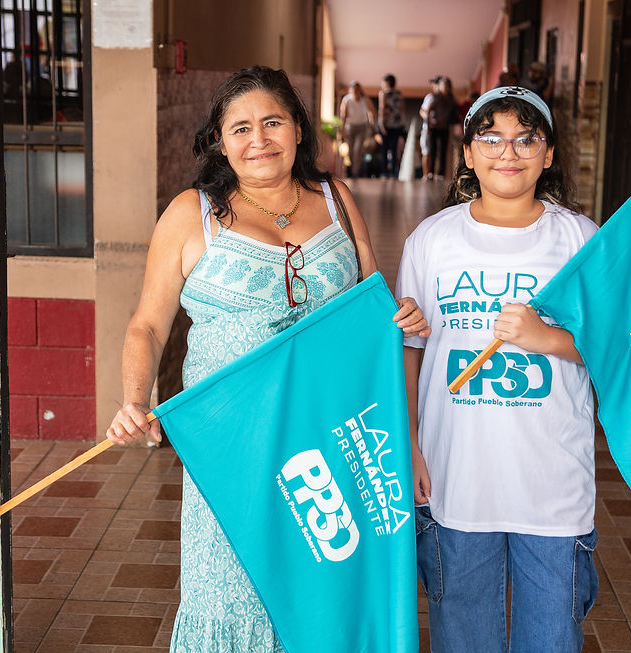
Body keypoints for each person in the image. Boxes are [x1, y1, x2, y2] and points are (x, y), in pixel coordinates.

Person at [105, 65, 430, 652]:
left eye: (273, 122)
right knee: (229, 586)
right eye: (241, 128)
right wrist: (134, 399)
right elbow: (148, 325)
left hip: (327, 440)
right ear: (219, 141)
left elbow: (370, 307)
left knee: (321, 582)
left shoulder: (336, 200)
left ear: (299, 130)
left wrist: (399, 317)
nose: (259, 140)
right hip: (233, 445)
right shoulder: (190, 214)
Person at [396, 86, 599, 652]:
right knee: (464, 640)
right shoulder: (432, 241)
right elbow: (410, 352)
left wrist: (546, 338)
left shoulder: (578, 239)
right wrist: (411, 444)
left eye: (525, 138)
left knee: (551, 640)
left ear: (549, 153)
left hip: (552, 484)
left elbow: (611, 349)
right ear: (466, 152)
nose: (508, 152)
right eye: (490, 138)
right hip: (455, 477)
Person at [339, 80, 376, 178]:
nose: (356, 92)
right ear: (350, 90)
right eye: (354, 89)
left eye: (358, 89)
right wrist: (342, 130)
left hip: (362, 126)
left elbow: (372, 111)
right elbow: (343, 116)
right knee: (351, 150)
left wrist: (372, 123)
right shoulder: (347, 100)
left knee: (358, 149)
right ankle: (351, 168)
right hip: (350, 127)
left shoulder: (365, 100)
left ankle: (356, 171)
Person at [426, 76, 459, 181]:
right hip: (434, 127)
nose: (445, 88)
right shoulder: (435, 97)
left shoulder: (451, 99)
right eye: (443, 86)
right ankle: (430, 172)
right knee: (433, 150)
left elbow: (455, 112)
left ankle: (441, 173)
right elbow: (428, 111)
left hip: (445, 127)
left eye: (446, 86)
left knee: (443, 150)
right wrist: (428, 125)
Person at [377, 73, 407, 178]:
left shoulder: (383, 93)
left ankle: (384, 173)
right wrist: (402, 123)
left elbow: (382, 108)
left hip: (386, 125)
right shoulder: (399, 94)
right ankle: (394, 173)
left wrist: (381, 125)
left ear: (387, 83)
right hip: (397, 125)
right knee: (394, 150)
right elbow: (402, 110)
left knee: (384, 149)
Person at [420, 77, 440, 180]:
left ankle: (436, 174)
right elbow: (422, 111)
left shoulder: (445, 99)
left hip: (439, 129)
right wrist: (428, 118)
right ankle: (426, 175)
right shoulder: (430, 97)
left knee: (437, 152)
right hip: (428, 128)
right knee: (426, 151)